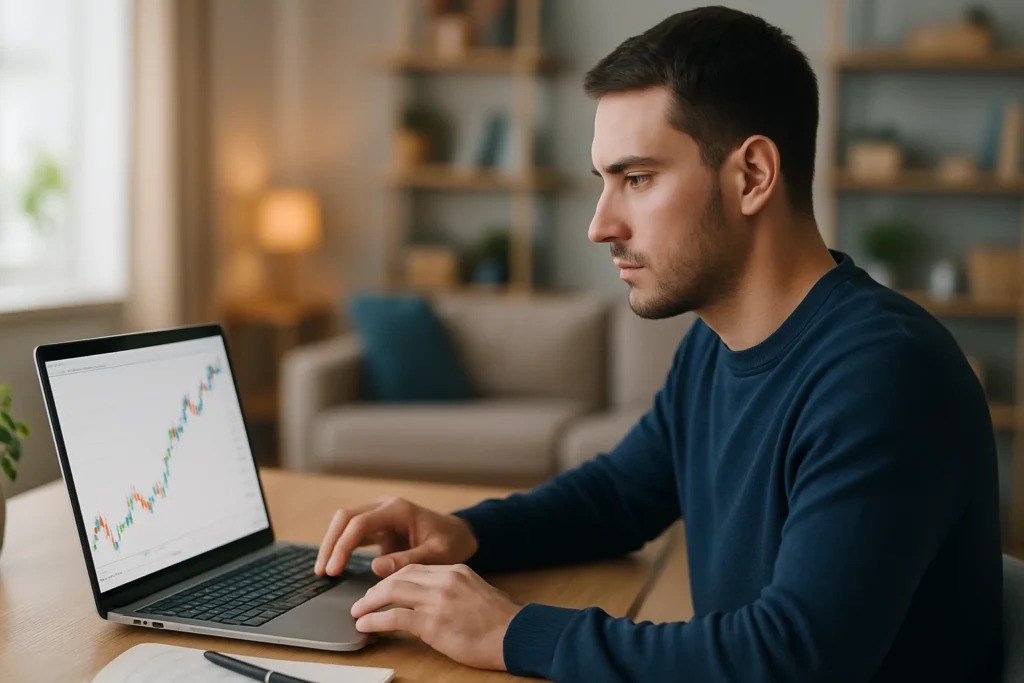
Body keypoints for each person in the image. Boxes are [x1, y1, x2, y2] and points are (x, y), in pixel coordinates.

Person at [313, 6, 1003, 682]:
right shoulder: (713, 345)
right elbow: (618, 495)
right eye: (603, 181)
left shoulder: (884, 375)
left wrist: (510, 630)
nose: (599, 224)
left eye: (636, 178)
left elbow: (793, 656)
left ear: (752, 175)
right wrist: (465, 532)